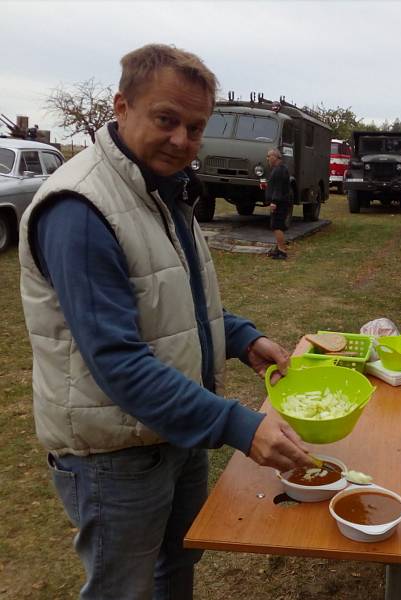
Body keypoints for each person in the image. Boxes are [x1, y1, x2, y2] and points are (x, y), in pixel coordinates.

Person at [17, 44, 312, 600]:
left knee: (175, 572)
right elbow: (118, 363)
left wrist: (242, 338)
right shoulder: (81, 210)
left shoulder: (161, 191)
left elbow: (176, 303)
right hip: (115, 454)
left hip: (175, 430)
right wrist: (239, 427)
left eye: (196, 127)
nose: (182, 140)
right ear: (121, 105)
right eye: (166, 120)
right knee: (122, 589)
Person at [266, 148, 291, 259]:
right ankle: (278, 248)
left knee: (278, 226)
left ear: (274, 157)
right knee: (275, 225)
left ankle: (282, 251)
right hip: (280, 201)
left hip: (280, 203)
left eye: (268, 156)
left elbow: (278, 188)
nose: (267, 159)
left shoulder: (280, 170)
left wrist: (274, 202)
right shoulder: (278, 169)